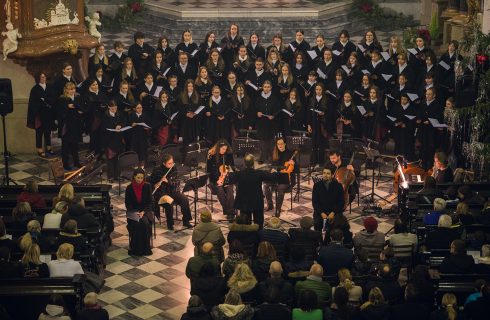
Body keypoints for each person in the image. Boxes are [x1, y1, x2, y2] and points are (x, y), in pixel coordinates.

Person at [227, 154, 281, 228]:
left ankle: (247, 237)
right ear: (253, 163)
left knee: (245, 224)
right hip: (257, 202)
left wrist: (229, 171)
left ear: (244, 163)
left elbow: (229, 179)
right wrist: (274, 172)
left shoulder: (239, 174)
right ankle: (258, 237)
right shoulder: (259, 173)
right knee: (258, 224)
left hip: (243, 202)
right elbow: (272, 177)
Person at [149, 153, 192, 230]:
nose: (172, 164)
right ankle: (170, 224)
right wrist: (155, 185)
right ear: (164, 163)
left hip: (172, 191)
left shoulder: (174, 168)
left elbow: (177, 182)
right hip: (161, 193)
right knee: (169, 202)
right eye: (169, 163)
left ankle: (186, 221)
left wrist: (168, 181)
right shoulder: (157, 170)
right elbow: (150, 181)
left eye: (172, 162)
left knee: (184, 199)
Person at [263, 137, 297, 213]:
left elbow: (295, 169)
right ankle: (270, 204)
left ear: (285, 144)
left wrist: (294, 163)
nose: (280, 146)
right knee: (266, 186)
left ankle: (278, 209)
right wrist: (271, 169)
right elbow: (272, 166)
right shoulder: (275, 153)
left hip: (287, 178)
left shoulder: (290, 154)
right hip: (276, 176)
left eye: (282, 144)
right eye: (278, 144)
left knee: (280, 188)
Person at [125, 168, 153, 256]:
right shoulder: (129, 188)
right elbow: (128, 204)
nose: (140, 180)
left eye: (141, 178)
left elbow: (150, 202)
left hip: (145, 211)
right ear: (134, 177)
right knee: (136, 224)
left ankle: (145, 249)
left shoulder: (147, 186)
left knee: (144, 223)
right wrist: (135, 212)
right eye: (138, 177)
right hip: (133, 212)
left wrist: (143, 212)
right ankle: (136, 249)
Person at [27, 72, 54, 157]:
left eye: (44, 77)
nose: (44, 78)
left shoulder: (50, 87)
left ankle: (49, 148)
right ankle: (39, 149)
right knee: (39, 132)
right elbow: (32, 103)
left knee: (48, 131)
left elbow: (53, 98)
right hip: (39, 115)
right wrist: (41, 102)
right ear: (38, 78)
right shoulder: (35, 89)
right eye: (42, 77)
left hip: (48, 113)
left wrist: (46, 100)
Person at [207, 140, 235, 220]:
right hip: (214, 179)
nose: (224, 151)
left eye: (225, 149)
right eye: (222, 149)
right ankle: (229, 212)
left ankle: (231, 213)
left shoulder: (227, 155)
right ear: (218, 148)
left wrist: (226, 174)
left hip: (226, 177)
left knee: (230, 189)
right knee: (220, 190)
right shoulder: (211, 156)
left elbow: (231, 167)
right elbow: (210, 172)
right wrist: (217, 180)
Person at [58, 82, 83, 170]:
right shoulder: (62, 99)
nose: (72, 91)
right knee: (65, 146)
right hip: (66, 126)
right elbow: (59, 113)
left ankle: (76, 162)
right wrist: (67, 107)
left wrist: (80, 111)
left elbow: (81, 108)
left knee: (75, 145)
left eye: (73, 89)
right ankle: (65, 164)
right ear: (66, 90)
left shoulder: (77, 97)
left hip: (75, 125)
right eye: (70, 89)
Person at [312, 167, 345, 231]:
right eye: (324, 173)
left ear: (332, 175)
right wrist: (322, 213)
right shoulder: (317, 185)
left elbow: (341, 202)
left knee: (338, 226)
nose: (325, 175)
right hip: (321, 212)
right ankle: (319, 240)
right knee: (317, 223)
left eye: (328, 173)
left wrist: (333, 212)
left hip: (335, 211)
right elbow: (315, 202)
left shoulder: (338, 186)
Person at [101, 100, 125, 181]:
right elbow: (104, 128)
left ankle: (117, 175)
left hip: (118, 139)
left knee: (118, 159)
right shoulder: (105, 115)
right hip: (109, 140)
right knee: (110, 159)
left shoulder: (119, 113)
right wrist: (115, 127)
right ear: (109, 107)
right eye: (112, 108)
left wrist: (120, 125)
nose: (114, 110)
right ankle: (111, 176)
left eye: (115, 108)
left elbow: (123, 122)